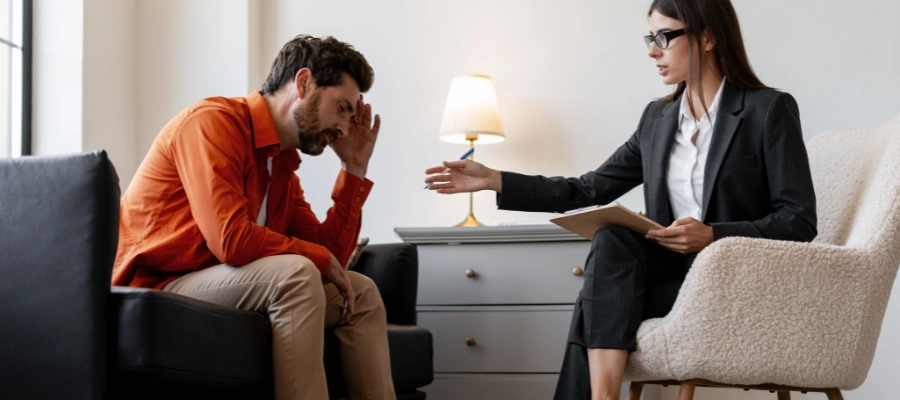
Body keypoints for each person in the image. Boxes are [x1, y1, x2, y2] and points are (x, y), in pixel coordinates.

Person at [423, 0, 817, 399]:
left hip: (730, 284)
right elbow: (588, 188)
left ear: (709, 37)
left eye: (664, 37)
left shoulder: (768, 110)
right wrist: (496, 179)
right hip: (668, 281)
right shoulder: (657, 120)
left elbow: (798, 220)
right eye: (651, 37)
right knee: (611, 241)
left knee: (592, 302)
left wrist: (712, 235)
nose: (652, 50)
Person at [112, 35, 396, 400]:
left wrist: (354, 168)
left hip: (221, 284)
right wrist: (316, 258)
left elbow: (331, 260)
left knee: (361, 293)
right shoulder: (213, 123)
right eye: (342, 107)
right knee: (296, 273)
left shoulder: (282, 168)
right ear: (304, 83)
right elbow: (231, 241)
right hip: (160, 284)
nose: (344, 127)